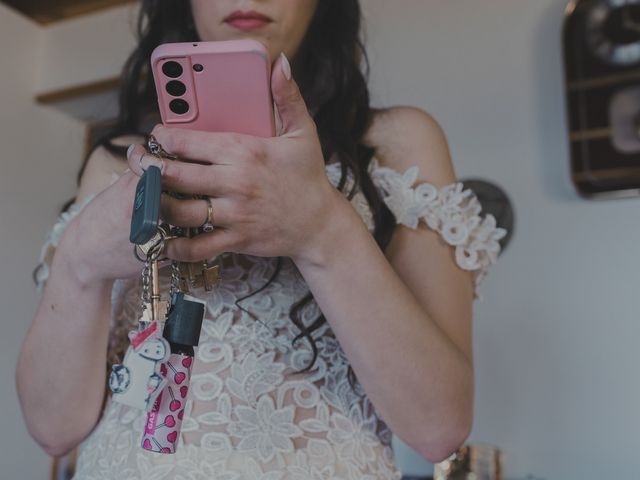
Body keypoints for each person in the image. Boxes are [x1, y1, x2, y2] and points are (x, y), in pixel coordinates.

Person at [16, 0, 505, 478]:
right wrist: (80, 263)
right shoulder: (114, 165)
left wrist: (321, 228)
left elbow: (439, 426)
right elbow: (52, 430)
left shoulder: (398, 145)